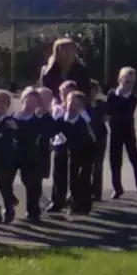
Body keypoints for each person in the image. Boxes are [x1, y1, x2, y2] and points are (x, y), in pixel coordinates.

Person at [107, 66, 137, 199]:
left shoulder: (133, 98)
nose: (129, 85)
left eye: (132, 82)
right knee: (115, 160)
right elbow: (111, 111)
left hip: (128, 131)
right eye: (127, 81)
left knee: (134, 157)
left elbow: (123, 111)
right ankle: (117, 188)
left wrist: (115, 110)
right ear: (119, 80)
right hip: (115, 131)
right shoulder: (112, 95)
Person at [59, 91, 96, 215]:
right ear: (65, 102)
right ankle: (73, 203)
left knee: (83, 179)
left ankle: (84, 206)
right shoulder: (60, 120)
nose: (72, 105)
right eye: (70, 101)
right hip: (69, 154)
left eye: (78, 104)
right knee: (72, 179)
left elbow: (91, 139)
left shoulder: (82, 123)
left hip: (85, 153)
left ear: (82, 108)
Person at [13, 87, 46, 222]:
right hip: (16, 154)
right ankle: (11, 201)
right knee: (5, 180)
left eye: (34, 102)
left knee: (32, 184)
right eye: (28, 100)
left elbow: (48, 130)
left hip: (33, 156)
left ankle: (33, 211)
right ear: (22, 101)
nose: (30, 104)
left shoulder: (40, 118)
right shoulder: (15, 117)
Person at [46, 80, 78, 213]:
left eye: (68, 93)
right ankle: (57, 201)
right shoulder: (57, 108)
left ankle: (75, 201)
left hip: (75, 145)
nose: (65, 96)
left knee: (74, 174)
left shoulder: (79, 109)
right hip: (59, 144)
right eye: (63, 93)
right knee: (58, 174)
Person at [0, 90, 18, 224]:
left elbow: (13, 135)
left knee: (4, 184)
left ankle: (9, 208)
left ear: (8, 105)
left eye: (2, 102)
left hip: (5, 157)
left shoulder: (10, 120)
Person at [40, 38, 92, 102]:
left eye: (72, 50)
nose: (68, 54)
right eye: (65, 51)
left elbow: (85, 94)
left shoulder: (81, 71)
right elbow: (45, 93)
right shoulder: (47, 72)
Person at [88, 80, 108, 201]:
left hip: (100, 137)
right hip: (86, 138)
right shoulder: (83, 104)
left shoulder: (101, 104)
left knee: (97, 165)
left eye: (94, 90)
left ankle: (96, 192)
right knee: (86, 165)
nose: (92, 93)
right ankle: (85, 190)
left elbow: (106, 118)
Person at [36, 87, 56, 181]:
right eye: (41, 98)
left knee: (38, 178)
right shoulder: (28, 115)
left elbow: (57, 134)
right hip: (28, 154)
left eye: (48, 99)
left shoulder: (50, 119)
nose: (44, 102)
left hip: (43, 153)